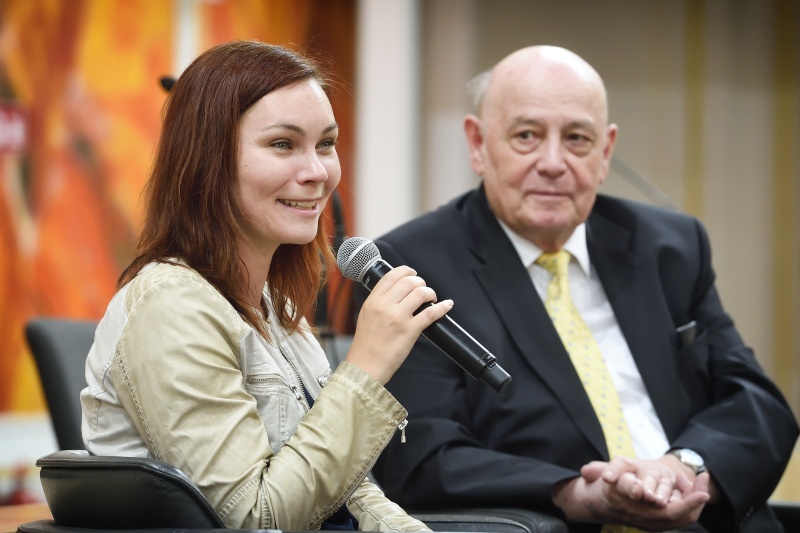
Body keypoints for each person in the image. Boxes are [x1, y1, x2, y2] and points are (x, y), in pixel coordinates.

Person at [360, 46, 799, 532]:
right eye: (526, 136)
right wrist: (576, 492)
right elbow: (424, 455)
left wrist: (685, 466)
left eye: (577, 138)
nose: (553, 162)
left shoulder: (670, 246)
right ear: (478, 144)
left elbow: (757, 403)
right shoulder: (413, 267)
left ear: (605, 151)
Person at [79, 40, 454, 531]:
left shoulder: (273, 304)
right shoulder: (169, 306)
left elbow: (353, 493)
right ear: (208, 159)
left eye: (325, 144)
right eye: (283, 144)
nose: (318, 172)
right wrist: (365, 369)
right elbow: (257, 520)